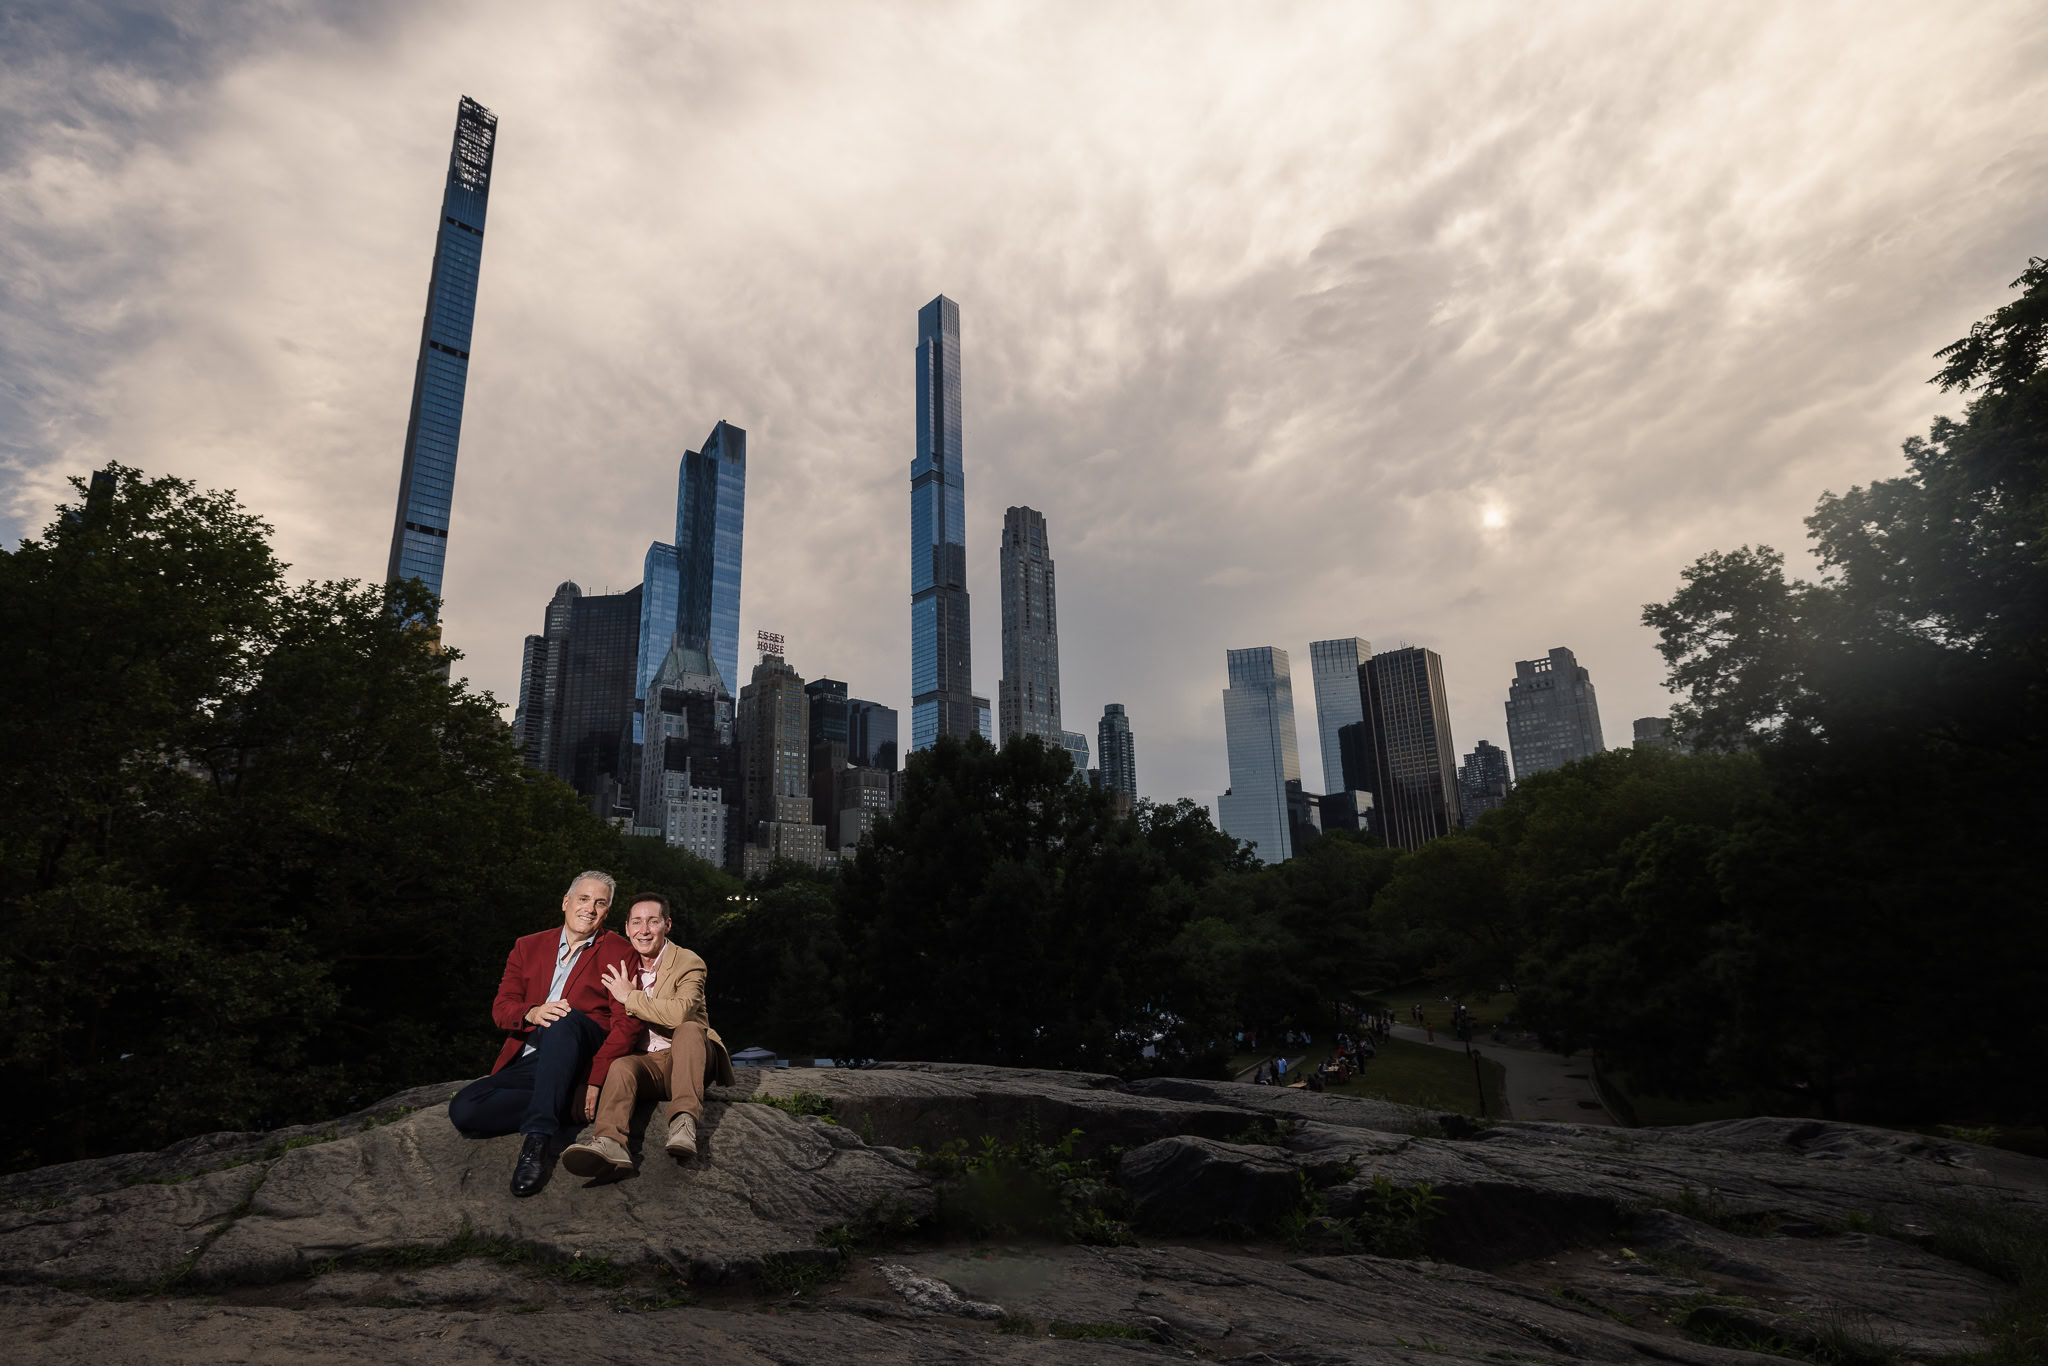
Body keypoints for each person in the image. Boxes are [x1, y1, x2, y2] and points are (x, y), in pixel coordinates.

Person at [448, 871, 643, 1197]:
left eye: (600, 903)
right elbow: (502, 1008)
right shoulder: (528, 946)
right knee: (464, 1111)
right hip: (532, 1060)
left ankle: (537, 1141)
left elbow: (628, 1023)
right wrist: (532, 1012)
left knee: (563, 1018)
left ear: (607, 912)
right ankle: (561, 1103)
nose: (589, 909)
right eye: (583, 899)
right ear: (566, 902)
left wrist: (594, 1079)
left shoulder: (619, 951)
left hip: (582, 1046)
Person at [559, 891, 735, 1178]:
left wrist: (631, 997)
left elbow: (679, 1014)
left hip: (689, 1059)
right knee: (621, 1065)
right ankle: (610, 1143)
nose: (643, 930)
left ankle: (683, 1124)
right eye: (636, 922)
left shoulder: (688, 962)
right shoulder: (620, 964)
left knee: (689, 1028)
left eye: (652, 922)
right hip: (649, 1065)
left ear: (667, 925)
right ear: (627, 928)